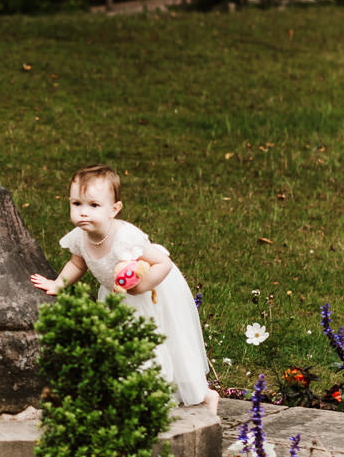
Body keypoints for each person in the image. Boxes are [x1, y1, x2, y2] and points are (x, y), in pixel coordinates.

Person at [30, 164, 218, 414]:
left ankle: (203, 395)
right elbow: (78, 262)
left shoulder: (126, 238)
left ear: (114, 210)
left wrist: (141, 287)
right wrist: (59, 283)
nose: (83, 212)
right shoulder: (80, 235)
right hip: (116, 296)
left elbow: (164, 262)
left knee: (159, 344)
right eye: (76, 204)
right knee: (119, 346)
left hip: (153, 292)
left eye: (93, 205)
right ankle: (130, 394)